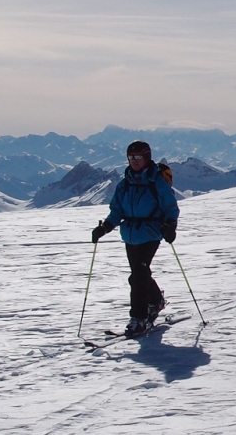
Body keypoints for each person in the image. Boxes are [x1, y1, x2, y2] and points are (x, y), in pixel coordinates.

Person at [91, 141, 180, 337]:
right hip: (130, 235)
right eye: (131, 157)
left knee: (138, 275)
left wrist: (170, 225)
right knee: (140, 273)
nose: (134, 161)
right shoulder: (125, 184)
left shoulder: (156, 181)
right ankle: (156, 301)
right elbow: (116, 211)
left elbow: (171, 207)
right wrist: (105, 227)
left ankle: (138, 319)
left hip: (151, 233)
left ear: (147, 157)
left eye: (138, 157)